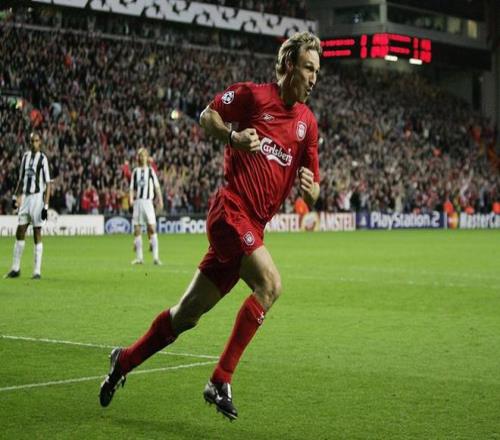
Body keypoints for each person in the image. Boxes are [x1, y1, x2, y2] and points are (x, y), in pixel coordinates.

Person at [99, 31, 321, 421]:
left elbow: (314, 187)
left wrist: (312, 190)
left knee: (186, 315)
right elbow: (207, 115)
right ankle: (221, 379)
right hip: (231, 211)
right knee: (270, 284)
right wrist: (233, 138)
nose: (314, 78)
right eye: (308, 68)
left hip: (252, 227)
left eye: (317, 70)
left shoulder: (307, 124)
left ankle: (124, 361)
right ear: (289, 65)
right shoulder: (254, 97)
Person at [5, 131, 52, 280]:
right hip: (25, 198)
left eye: (36, 141)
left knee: (37, 232)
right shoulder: (25, 157)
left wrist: (46, 206)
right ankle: (15, 268)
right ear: (29, 142)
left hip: (37, 198)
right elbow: (20, 179)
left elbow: (48, 184)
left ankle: (37, 271)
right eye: (32, 141)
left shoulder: (43, 159)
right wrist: (15, 197)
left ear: (40, 142)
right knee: (20, 231)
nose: (34, 143)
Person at [129, 148, 163, 265]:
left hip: (148, 202)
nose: (142, 157)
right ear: (138, 158)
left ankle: (156, 258)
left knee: (152, 228)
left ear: (146, 157)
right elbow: (131, 188)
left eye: (143, 155)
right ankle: (139, 258)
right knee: (137, 229)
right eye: (140, 155)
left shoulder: (150, 171)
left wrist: (160, 200)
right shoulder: (135, 172)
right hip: (138, 202)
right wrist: (131, 199)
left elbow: (157, 186)